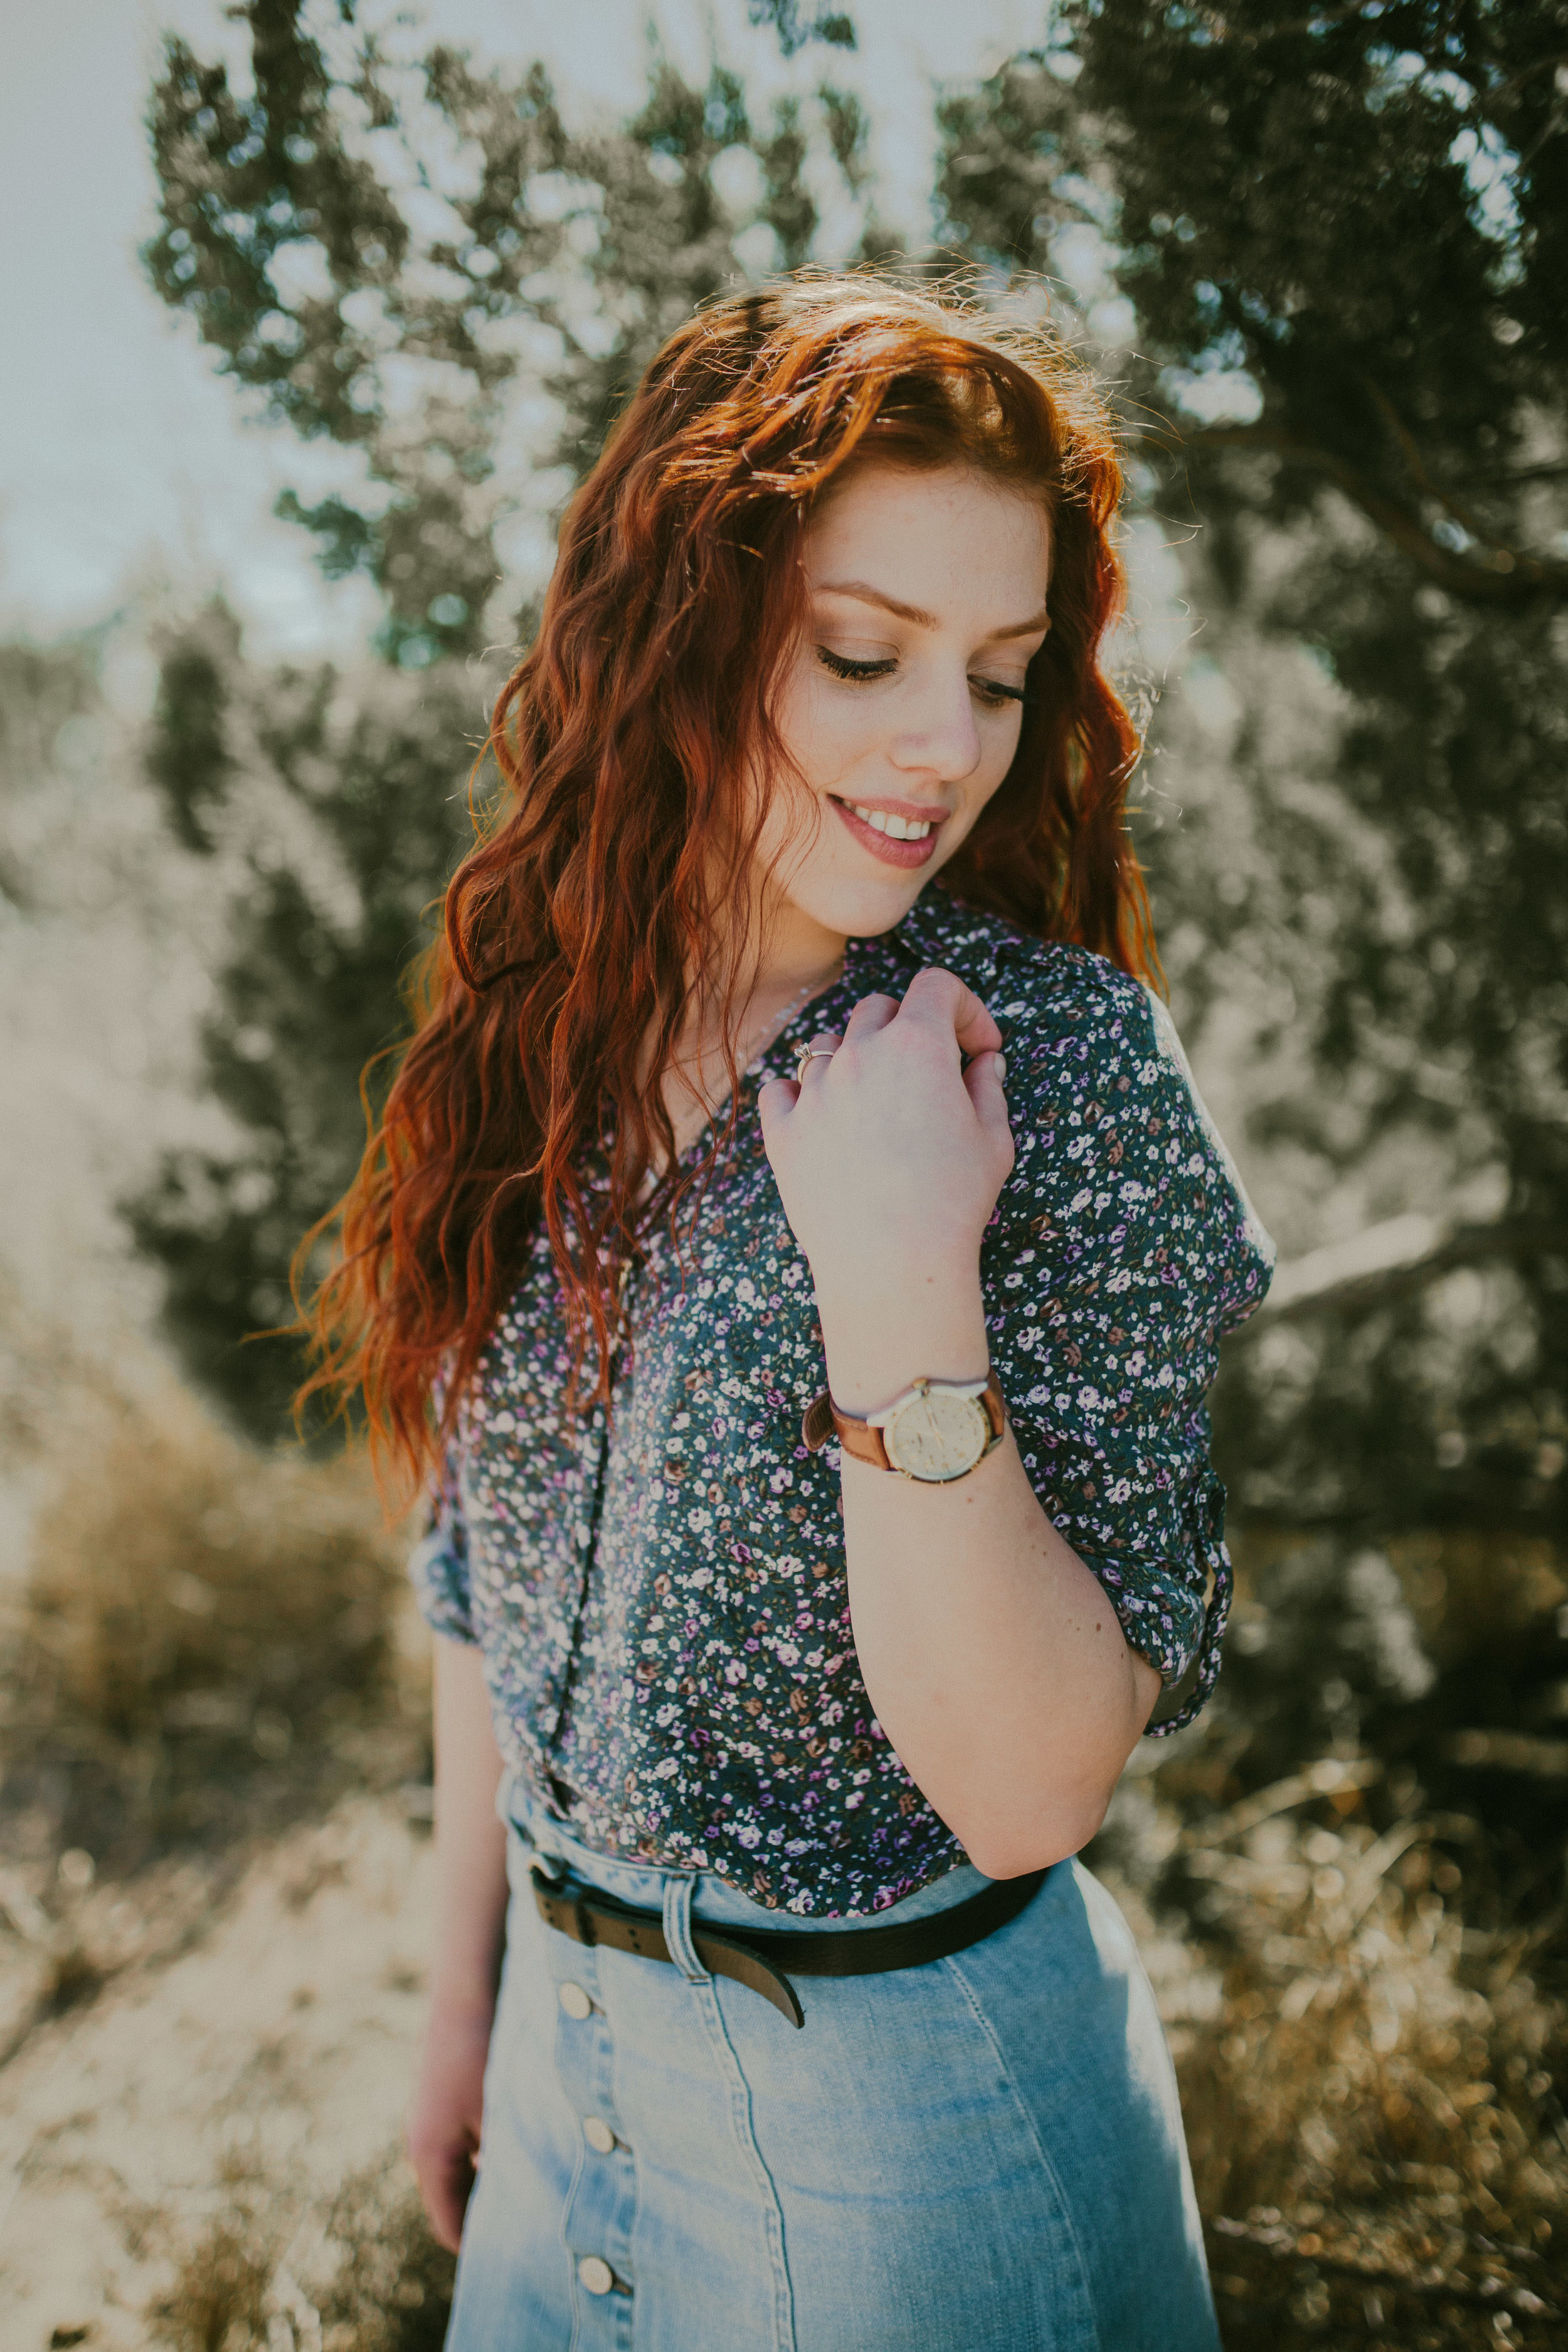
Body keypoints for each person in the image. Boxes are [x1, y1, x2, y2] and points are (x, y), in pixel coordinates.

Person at [300, 270, 1274, 2351]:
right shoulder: (552, 1040)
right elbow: (485, 1580)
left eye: (1001, 677)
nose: (947, 746)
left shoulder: (1041, 1067)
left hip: (902, 2134)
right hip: (565, 2080)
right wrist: (463, 1991)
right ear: (679, 634)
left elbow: (1028, 1788)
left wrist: (896, 1273)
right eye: (863, 652)